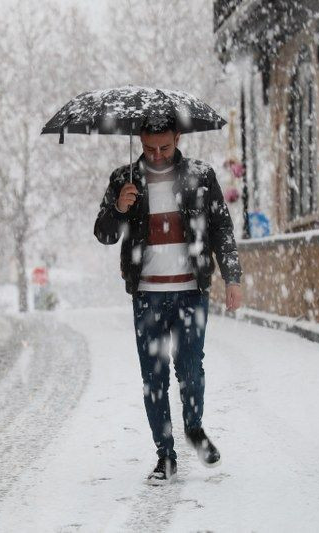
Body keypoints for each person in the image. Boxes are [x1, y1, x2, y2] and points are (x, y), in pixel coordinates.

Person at [93, 115, 243, 485]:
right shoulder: (123, 180)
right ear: (139, 141)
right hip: (147, 295)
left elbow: (222, 227)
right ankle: (166, 456)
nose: (157, 155)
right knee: (153, 378)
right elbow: (104, 233)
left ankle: (194, 427)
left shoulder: (200, 175)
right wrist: (119, 209)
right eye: (149, 148)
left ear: (178, 137)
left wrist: (232, 277)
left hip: (192, 291)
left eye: (165, 147)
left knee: (191, 370)